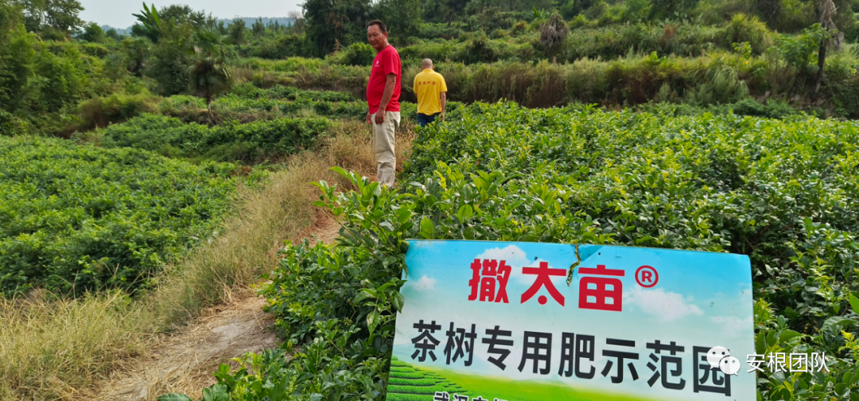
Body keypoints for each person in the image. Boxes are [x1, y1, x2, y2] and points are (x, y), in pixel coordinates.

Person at [365, 19, 401, 188]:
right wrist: (371, 109)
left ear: (385, 34)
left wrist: (381, 108)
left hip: (385, 112)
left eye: (375, 35)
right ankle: (383, 187)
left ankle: (385, 192)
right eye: (369, 35)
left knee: (386, 153)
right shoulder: (379, 55)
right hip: (378, 111)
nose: (372, 38)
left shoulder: (389, 53)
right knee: (381, 152)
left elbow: (391, 81)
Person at [413, 58, 447, 128]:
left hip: (421, 111)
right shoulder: (439, 77)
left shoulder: (417, 77)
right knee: (437, 136)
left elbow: (416, 94)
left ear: (422, 67)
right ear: (432, 66)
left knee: (422, 136)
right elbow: (443, 95)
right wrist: (443, 112)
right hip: (436, 111)